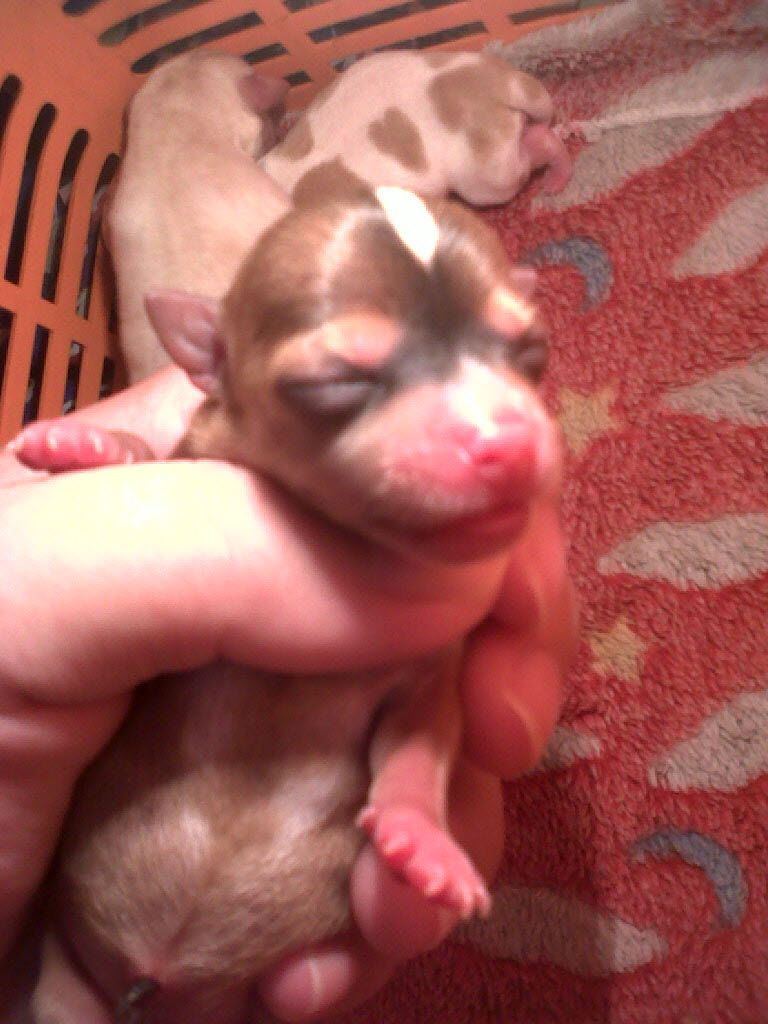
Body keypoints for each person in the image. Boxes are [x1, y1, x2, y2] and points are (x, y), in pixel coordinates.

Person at [0, 365, 576, 1021]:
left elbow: (421, 727)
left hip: (217, 980)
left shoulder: (429, 620)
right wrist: (121, 463)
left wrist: (411, 811)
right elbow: (150, 502)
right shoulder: (225, 478)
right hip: (68, 938)